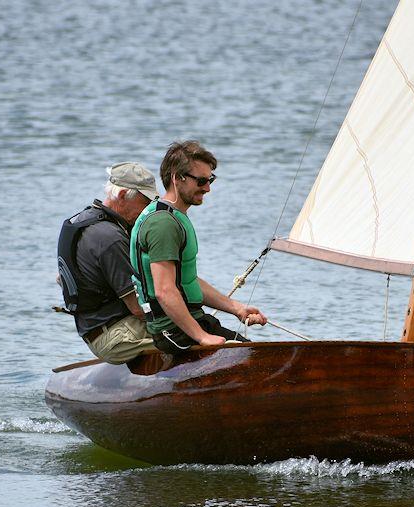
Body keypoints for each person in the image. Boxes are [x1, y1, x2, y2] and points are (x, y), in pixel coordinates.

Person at [130, 140, 267, 353]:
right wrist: (202, 337)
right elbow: (164, 291)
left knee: (253, 353)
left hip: (191, 323)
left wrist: (236, 308)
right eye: (201, 181)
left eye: (210, 179)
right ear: (177, 178)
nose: (208, 188)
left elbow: (186, 280)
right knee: (252, 358)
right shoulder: (163, 224)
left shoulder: (173, 217)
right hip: (173, 332)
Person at [57, 162, 160, 363]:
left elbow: (60, 279)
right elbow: (138, 309)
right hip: (117, 337)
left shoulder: (85, 219)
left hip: (95, 331)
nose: (148, 209)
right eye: (145, 202)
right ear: (122, 196)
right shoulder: (110, 237)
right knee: (185, 336)